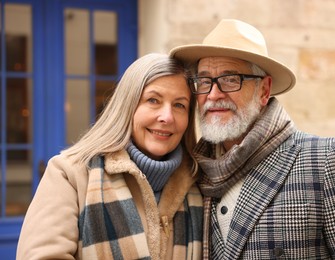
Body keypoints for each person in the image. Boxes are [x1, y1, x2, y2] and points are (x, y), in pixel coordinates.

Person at [170, 19, 335, 259]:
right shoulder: (192, 172)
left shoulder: (326, 160)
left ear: (264, 90)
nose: (213, 94)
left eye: (230, 79)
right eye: (204, 81)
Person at [16, 53, 203, 260]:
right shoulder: (71, 174)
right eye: (153, 100)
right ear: (127, 106)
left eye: (179, 105)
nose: (167, 117)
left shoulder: (199, 183)